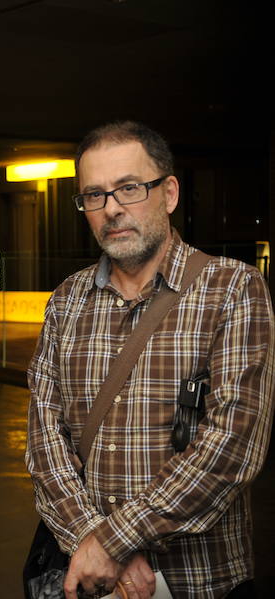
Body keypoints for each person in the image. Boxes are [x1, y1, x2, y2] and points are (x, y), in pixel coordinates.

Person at [25, 121, 274, 599]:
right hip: (91, 579)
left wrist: (113, 542)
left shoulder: (233, 289)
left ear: (170, 193)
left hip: (199, 581)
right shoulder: (66, 300)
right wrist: (90, 541)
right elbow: (44, 440)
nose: (112, 208)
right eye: (93, 195)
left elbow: (232, 447)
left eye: (129, 188)